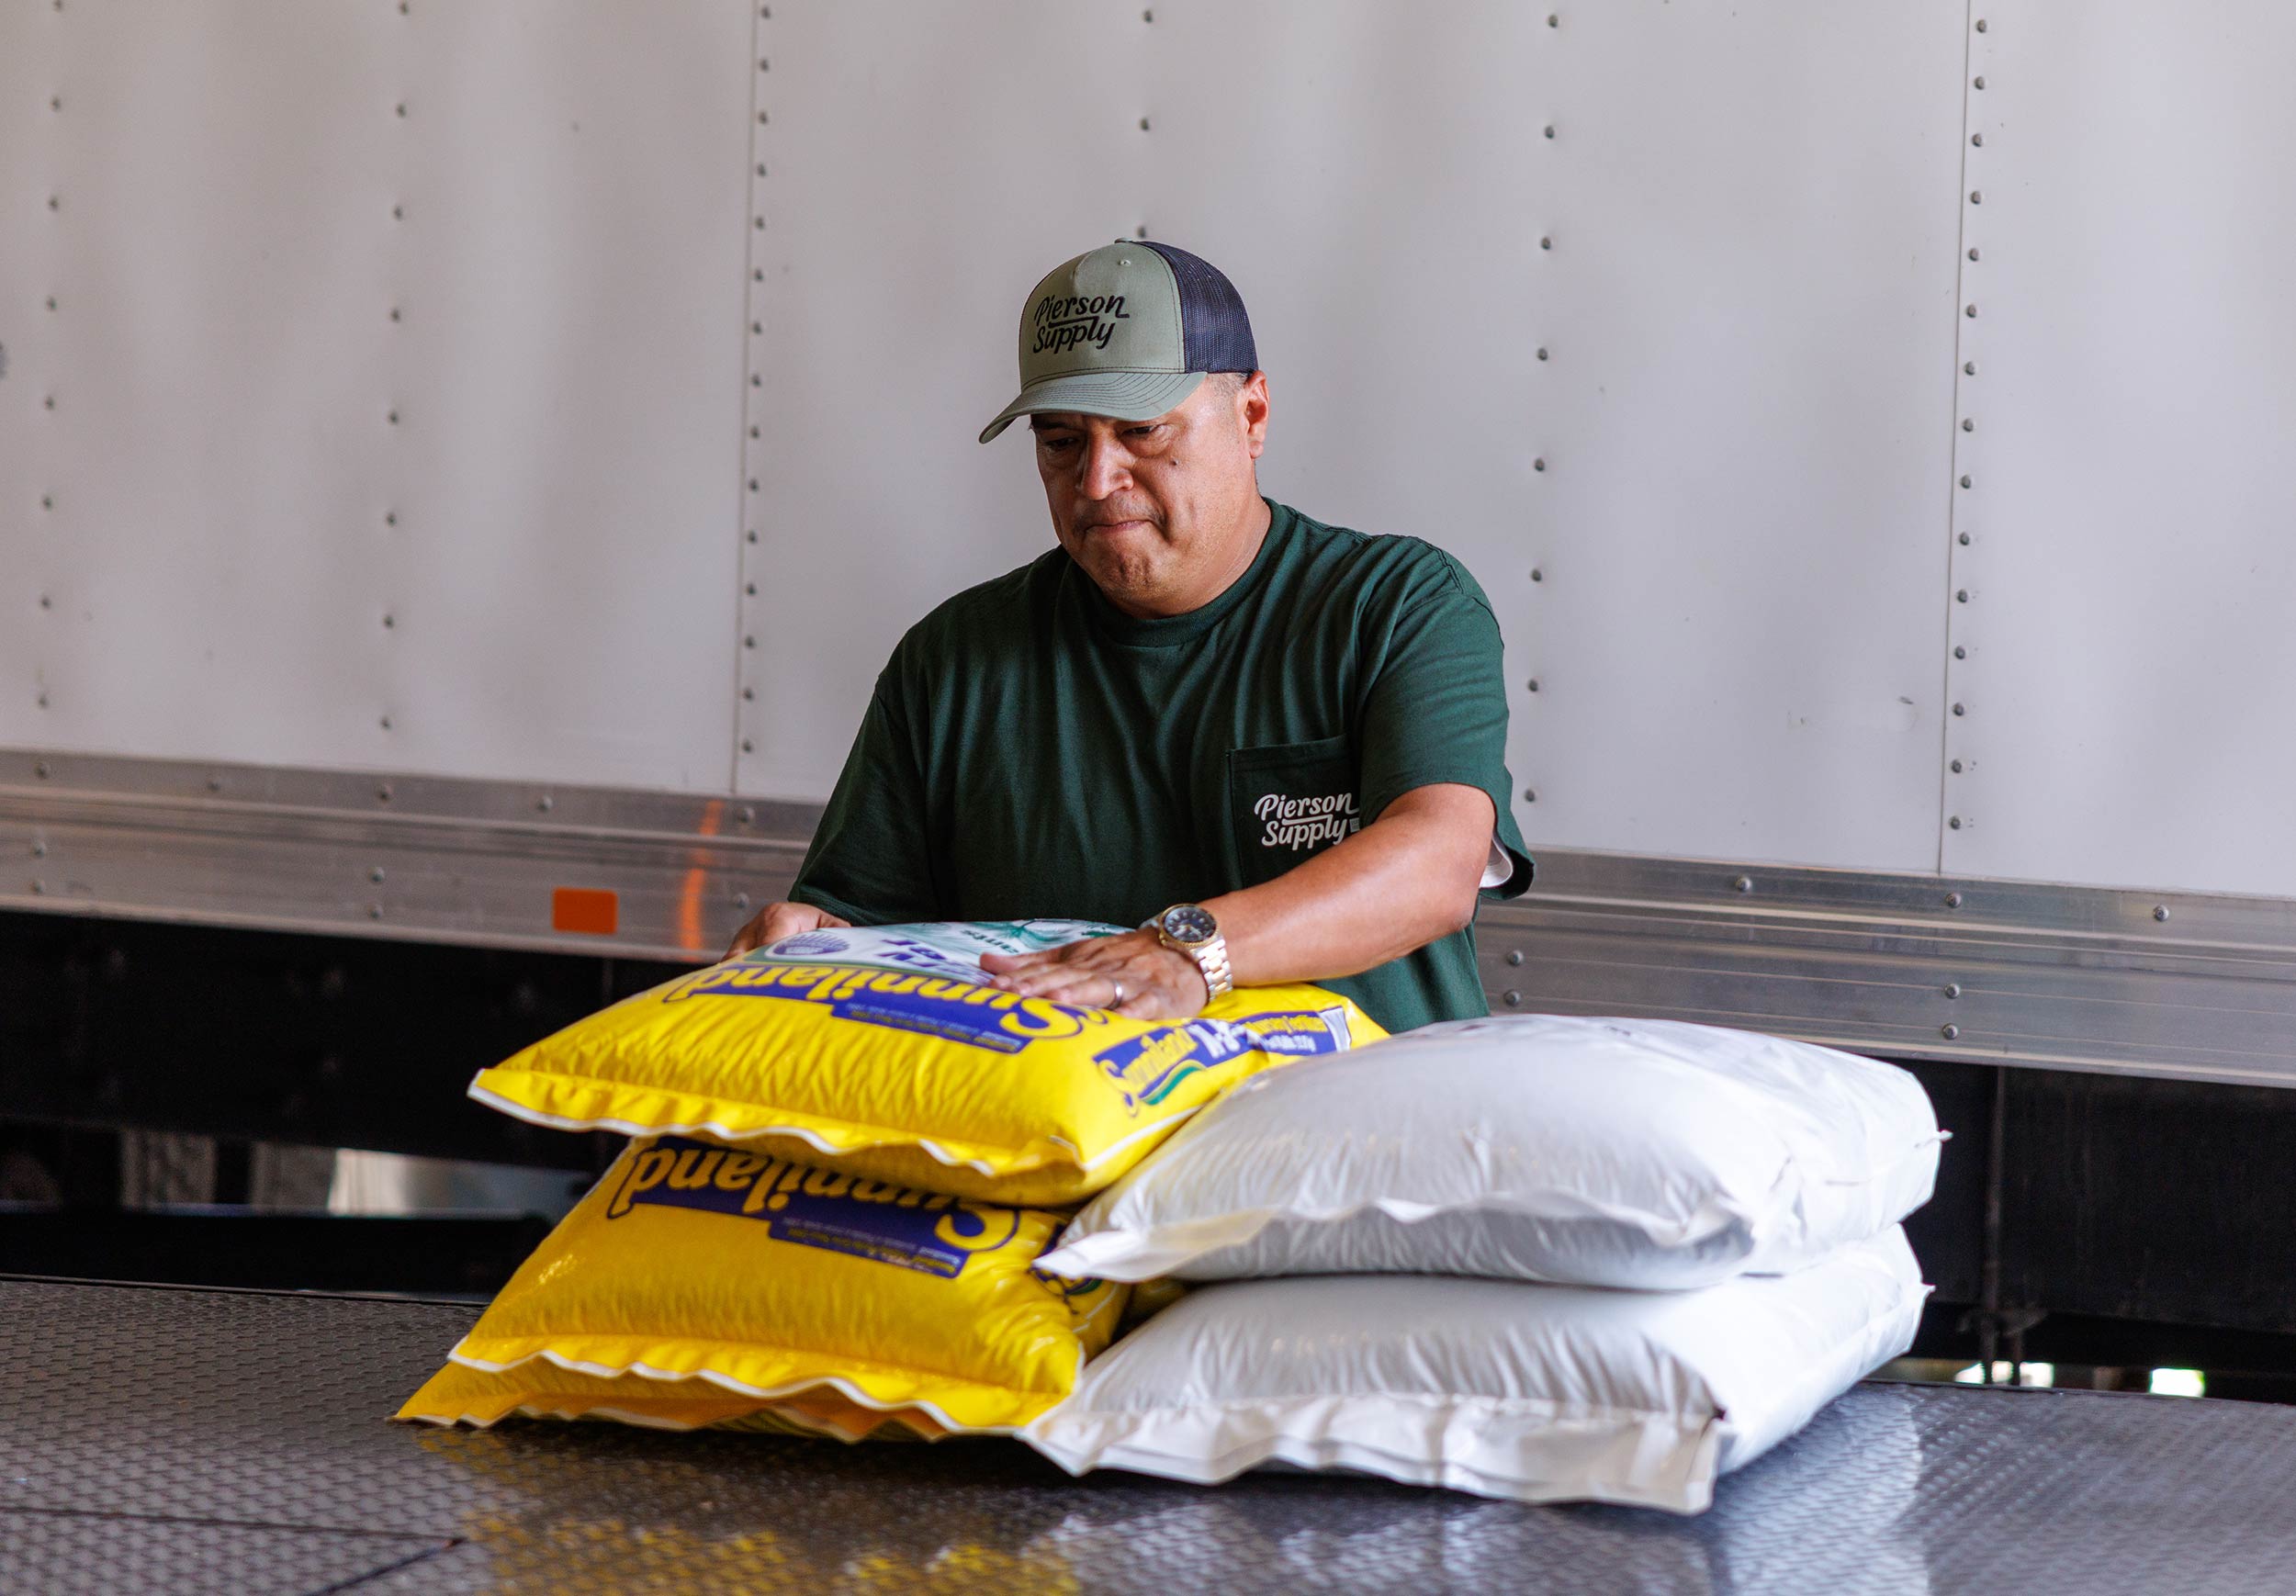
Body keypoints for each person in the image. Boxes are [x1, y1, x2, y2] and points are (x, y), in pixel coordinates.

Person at [726, 240, 1531, 1033]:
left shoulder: (1398, 606)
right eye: (1061, 441)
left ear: (1252, 415)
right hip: (1077, 1154)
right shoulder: (953, 663)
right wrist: (816, 946)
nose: (1097, 481)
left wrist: (1189, 953)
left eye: (1143, 431)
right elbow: (861, 929)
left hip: (1349, 1148)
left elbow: (1436, 864)